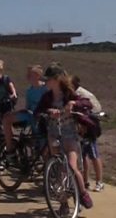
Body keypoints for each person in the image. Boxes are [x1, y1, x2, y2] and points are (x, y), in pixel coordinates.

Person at [34, 65, 92, 210]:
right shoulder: (47, 97)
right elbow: (37, 111)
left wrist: (74, 103)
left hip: (70, 134)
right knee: (59, 169)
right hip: (53, 134)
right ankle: (63, 203)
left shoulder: (69, 93)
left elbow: (87, 103)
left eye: (48, 80)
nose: (45, 82)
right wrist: (48, 111)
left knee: (72, 167)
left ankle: (83, 193)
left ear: (57, 80)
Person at [2, 65, 46, 156]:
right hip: (30, 115)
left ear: (38, 75)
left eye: (31, 74)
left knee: (40, 138)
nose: (28, 76)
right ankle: (10, 148)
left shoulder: (45, 88)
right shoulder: (29, 90)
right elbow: (28, 107)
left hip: (42, 116)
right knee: (6, 119)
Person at [71, 75, 105, 192]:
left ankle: (99, 181)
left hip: (90, 128)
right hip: (79, 129)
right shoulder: (72, 94)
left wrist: (85, 126)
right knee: (83, 156)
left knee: (94, 155)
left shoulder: (83, 94)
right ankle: (85, 181)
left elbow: (93, 111)